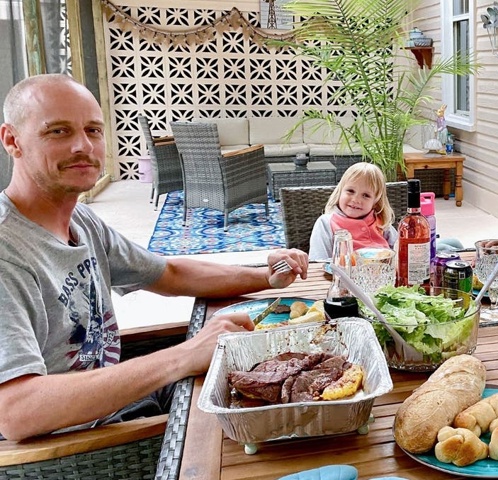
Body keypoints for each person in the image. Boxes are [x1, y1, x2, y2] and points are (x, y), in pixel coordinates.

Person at [0, 74, 309, 441]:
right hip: (83, 443)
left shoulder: (80, 221)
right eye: (58, 132)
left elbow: (170, 272)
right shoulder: (9, 250)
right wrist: (182, 356)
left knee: (290, 379)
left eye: (94, 131)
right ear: (12, 140)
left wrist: (265, 277)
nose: (83, 145)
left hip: (119, 404)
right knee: (288, 428)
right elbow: (15, 412)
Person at [308, 162, 398, 260]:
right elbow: (318, 261)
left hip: (384, 273)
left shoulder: (381, 223)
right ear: (340, 192)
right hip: (344, 274)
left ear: (375, 202)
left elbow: (400, 249)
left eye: (366, 195)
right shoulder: (326, 223)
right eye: (350, 191)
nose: (356, 200)